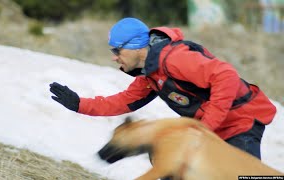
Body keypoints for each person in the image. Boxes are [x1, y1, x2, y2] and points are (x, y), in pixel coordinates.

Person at [49, 17, 277, 160]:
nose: (114, 58)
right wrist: (80, 104)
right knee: (167, 160)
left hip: (241, 123)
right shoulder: (151, 75)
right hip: (214, 128)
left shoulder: (174, 59)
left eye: (116, 51)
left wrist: (205, 127)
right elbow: (123, 101)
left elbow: (225, 75)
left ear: (135, 46)